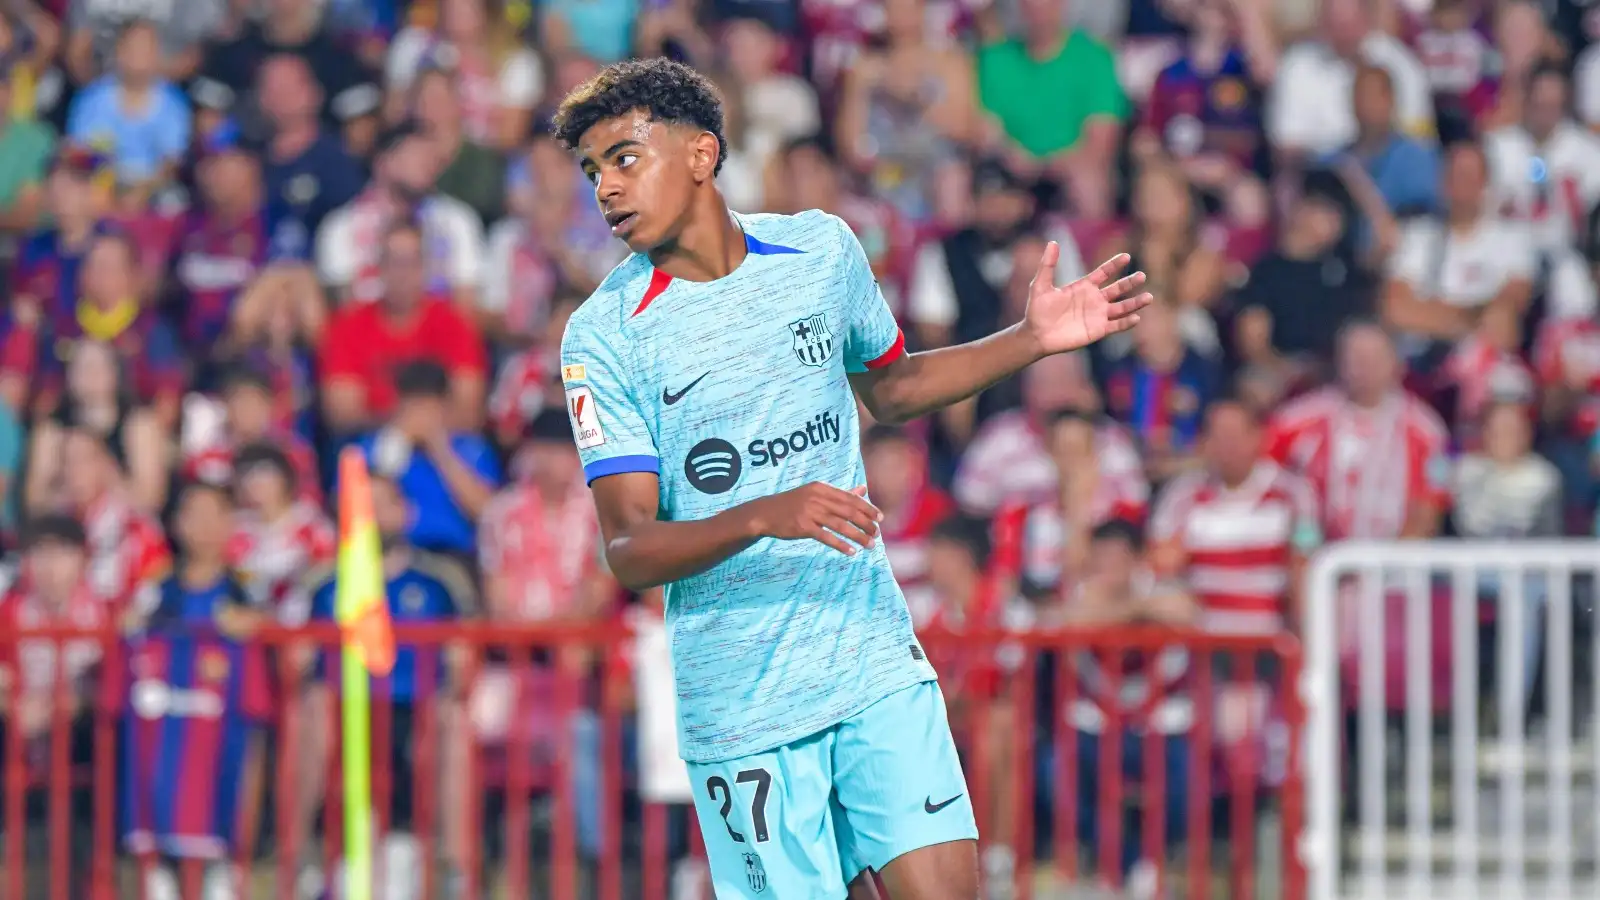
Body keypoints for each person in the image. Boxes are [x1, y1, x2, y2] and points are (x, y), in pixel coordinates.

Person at [552, 57, 1150, 899]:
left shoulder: (819, 251)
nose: (606, 189)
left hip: (869, 658)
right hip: (743, 706)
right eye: (591, 172)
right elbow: (629, 546)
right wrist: (765, 513)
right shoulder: (603, 336)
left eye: (623, 157)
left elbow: (896, 388)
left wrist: (1027, 340)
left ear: (700, 154)